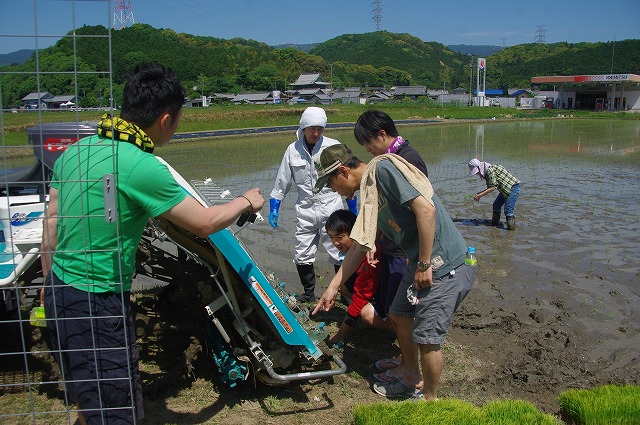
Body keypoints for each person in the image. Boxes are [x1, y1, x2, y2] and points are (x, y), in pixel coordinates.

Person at [41, 63, 264, 425]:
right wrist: (245, 200)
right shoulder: (142, 166)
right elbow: (205, 223)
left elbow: (51, 221)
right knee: (117, 411)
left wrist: (49, 283)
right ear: (165, 119)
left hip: (59, 292)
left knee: (88, 395)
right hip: (98, 302)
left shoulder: (77, 151)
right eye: (178, 119)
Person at [311, 144, 474, 401]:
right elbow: (359, 247)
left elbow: (426, 210)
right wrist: (332, 287)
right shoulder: (369, 194)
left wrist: (423, 264)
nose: (332, 190)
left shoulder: (383, 170)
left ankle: (431, 400)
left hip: (442, 264)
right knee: (398, 312)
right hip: (418, 262)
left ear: (343, 171)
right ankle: (410, 375)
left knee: (428, 337)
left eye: (330, 183)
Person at [353, 110, 429, 376]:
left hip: (404, 252)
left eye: (369, 144)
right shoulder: (392, 159)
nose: (369, 151)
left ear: (382, 134)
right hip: (391, 246)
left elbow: (422, 210)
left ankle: (409, 366)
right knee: (394, 310)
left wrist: (419, 258)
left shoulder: (408, 159)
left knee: (402, 313)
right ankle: (403, 358)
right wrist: (377, 241)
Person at [268, 106, 355, 302]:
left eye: (320, 129)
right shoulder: (293, 150)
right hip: (305, 207)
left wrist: (353, 208)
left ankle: (345, 294)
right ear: (303, 127)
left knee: (339, 250)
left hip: (330, 205)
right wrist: (275, 207)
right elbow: (282, 181)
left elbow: (349, 179)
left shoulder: (333, 147)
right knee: (302, 252)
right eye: (311, 128)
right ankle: (308, 294)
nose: (316, 133)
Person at [324, 209, 392, 347]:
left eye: (340, 237)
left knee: (366, 315)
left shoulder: (369, 258)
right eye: (331, 237)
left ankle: (401, 326)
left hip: (390, 296)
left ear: (354, 234)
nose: (335, 243)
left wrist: (339, 335)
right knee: (342, 285)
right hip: (377, 289)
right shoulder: (356, 251)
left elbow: (361, 297)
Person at [468, 158, 521, 230]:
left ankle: (511, 230)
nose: (477, 174)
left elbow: (493, 187)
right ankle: (495, 224)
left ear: (479, 168)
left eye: (477, 172)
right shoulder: (488, 170)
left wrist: (480, 195)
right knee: (496, 205)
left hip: (512, 188)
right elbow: (491, 186)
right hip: (504, 189)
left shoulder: (489, 170)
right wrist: (479, 193)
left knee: (508, 210)